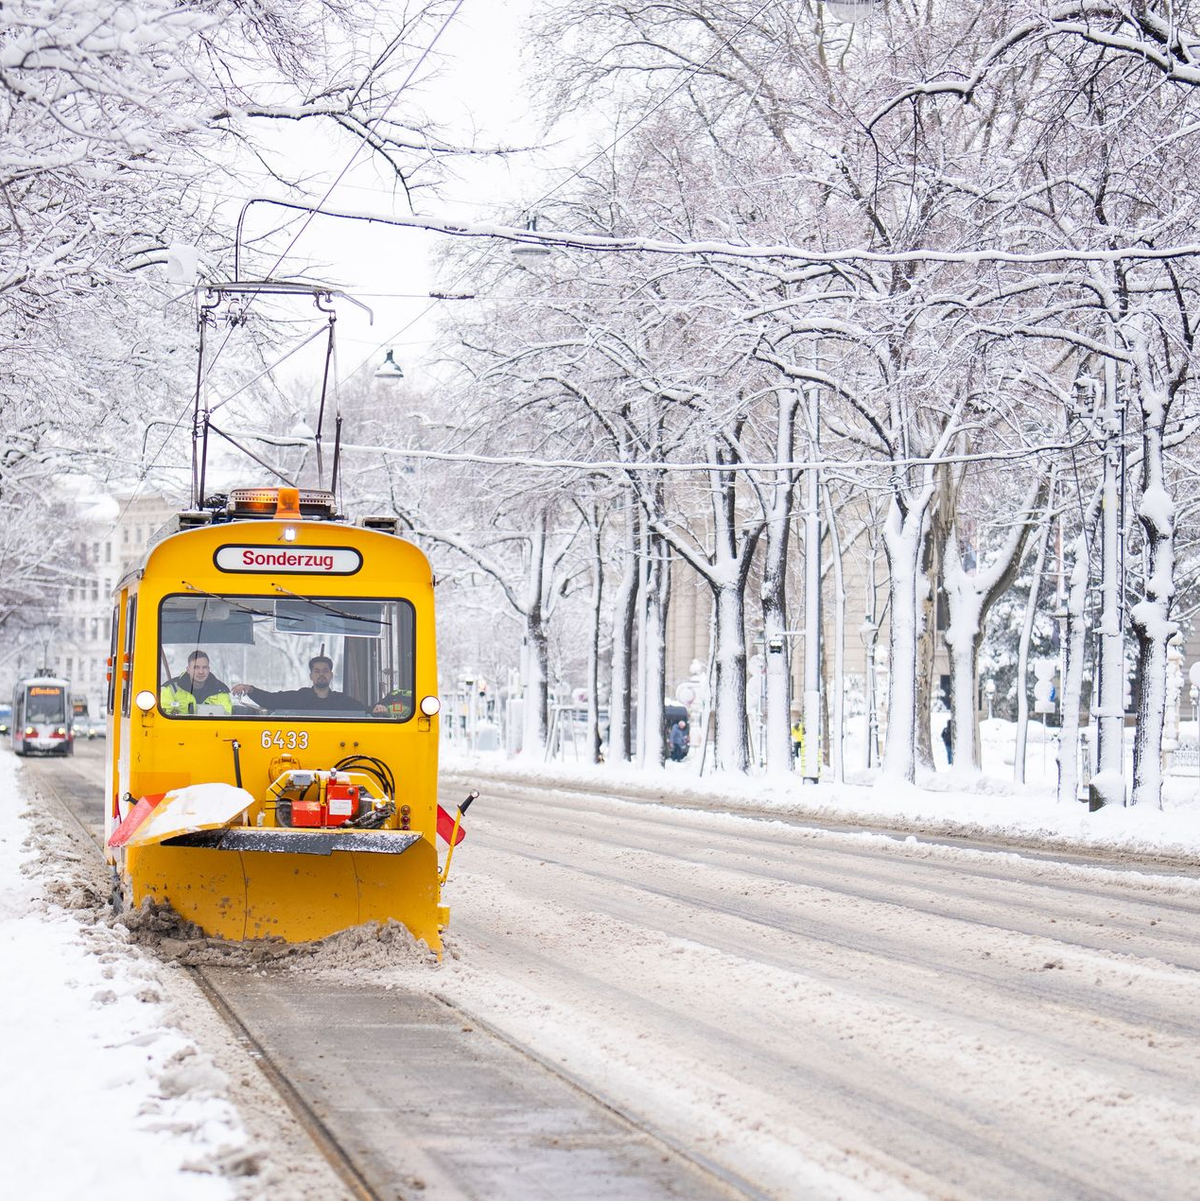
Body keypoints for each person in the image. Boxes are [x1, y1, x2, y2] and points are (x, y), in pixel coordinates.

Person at [232, 655, 365, 713]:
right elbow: (270, 700)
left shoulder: (342, 701)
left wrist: (379, 709)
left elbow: (364, 711)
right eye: (317, 671)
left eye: (325, 671)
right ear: (311, 676)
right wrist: (250, 689)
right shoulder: (299, 698)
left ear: (331, 675)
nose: (321, 674)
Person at [161, 650, 232, 715]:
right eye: (196, 667)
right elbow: (163, 716)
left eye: (204, 667)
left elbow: (227, 717)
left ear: (209, 669)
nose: (201, 672)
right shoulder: (171, 689)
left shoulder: (221, 691)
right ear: (188, 670)